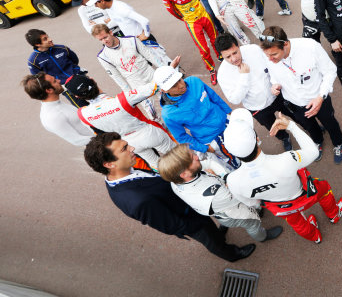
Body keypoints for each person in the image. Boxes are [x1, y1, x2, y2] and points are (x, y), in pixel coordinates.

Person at [84, 132, 255, 262]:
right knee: (210, 239)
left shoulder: (125, 171)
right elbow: (170, 225)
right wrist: (197, 221)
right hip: (190, 220)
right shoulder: (137, 200)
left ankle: (218, 234)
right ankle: (232, 255)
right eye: (124, 149)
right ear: (109, 164)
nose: (132, 149)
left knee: (212, 229)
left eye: (127, 145)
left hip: (188, 205)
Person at [224, 109, 342, 244]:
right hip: (307, 194)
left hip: (283, 208)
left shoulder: (232, 181)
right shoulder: (285, 160)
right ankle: (334, 214)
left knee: (297, 224)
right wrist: (291, 126)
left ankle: (315, 237)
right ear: (257, 139)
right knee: (324, 190)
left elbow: (252, 203)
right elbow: (313, 152)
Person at [159, 144, 283, 242]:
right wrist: (225, 179)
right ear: (184, 174)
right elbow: (240, 195)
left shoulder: (175, 180)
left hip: (219, 208)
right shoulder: (216, 195)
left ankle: (226, 224)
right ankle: (263, 237)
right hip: (231, 209)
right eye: (192, 159)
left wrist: (223, 175)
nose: (197, 157)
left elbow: (208, 163)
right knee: (253, 223)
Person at [259, 26, 342, 164]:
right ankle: (318, 141)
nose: (269, 59)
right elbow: (273, 76)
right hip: (295, 103)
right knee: (310, 127)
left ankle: (339, 143)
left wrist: (320, 97)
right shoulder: (269, 55)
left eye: (274, 55)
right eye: (267, 55)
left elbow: (330, 71)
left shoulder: (310, 47)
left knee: (330, 123)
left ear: (285, 44)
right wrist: (275, 84)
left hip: (318, 99)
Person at [67, 72, 177, 172]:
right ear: (93, 80)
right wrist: (170, 69)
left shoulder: (82, 114)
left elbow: (100, 134)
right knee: (178, 155)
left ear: (77, 96)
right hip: (150, 133)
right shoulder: (122, 99)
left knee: (157, 165)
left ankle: (176, 184)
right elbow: (154, 86)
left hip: (130, 143)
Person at [214, 33, 292, 151]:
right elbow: (235, 99)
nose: (234, 59)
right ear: (221, 56)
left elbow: (272, 65)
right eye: (228, 57)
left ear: (238, 45)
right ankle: (285, 138)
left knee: (296, 114)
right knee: (272, 126)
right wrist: (244, 77)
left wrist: (275, 82)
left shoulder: (254, 50)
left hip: (277, 95)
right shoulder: (223, 74)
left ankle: (309, 127)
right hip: (257, 108)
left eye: (235, 52)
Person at [153, 65, 238, 171]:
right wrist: (206, 148)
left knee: (247, 148)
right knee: (234, 162)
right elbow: (181, 137)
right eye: (174, 86)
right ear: (164, 90)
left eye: (179, 80)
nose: (181, 85)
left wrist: (231, 113)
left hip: (228, 123)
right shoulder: (168, 114)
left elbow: (214, 97)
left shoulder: (194, 81)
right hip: (213, 140)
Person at [160, 0, 220, 85]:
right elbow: (172, 11)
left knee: (215, 39)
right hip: (192, 23)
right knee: (203, 49)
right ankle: (212, 70)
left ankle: (221, 56)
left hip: (204, 15)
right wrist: (186, 18)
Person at [92, 24, 167, 121]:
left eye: (105, 37)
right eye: (100, 40)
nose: (104, 41)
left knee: (169, 100)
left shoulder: (131, 40)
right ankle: (164, 133)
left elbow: (149, 55)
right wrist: (128, 92)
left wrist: (164, 69)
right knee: (153, 114)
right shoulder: (103, 56)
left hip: (150, 74)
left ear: (111, 32)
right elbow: (116, 76)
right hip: (136, 84)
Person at [87, 0, 171, 65]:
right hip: (135, 42)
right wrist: (98, 25)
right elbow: (117, 21)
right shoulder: (110, 9)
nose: (95, 6)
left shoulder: (121, 8)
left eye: (96, 3)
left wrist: (146, 34)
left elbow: (145, 21)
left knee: (164, 63)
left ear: (102, 1)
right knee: (148, 65)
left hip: (145, 40)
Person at [22, 72, 94, 146]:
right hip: (102, 146)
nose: (59, 80)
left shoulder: (57, 105)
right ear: (49, 90)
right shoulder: (52, 117)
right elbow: (77, 140)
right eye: (55, 81)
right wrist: (104, 138)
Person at [25, 29, 87, 107]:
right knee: (84, 108)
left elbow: (75, 60)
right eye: (45, 39)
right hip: (65, 86)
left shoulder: (62, 48)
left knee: (97, 98)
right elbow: (40, 79)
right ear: (37, 44)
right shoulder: (33, 61)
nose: (50, 39)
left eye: (48, 37)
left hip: (79, 77)